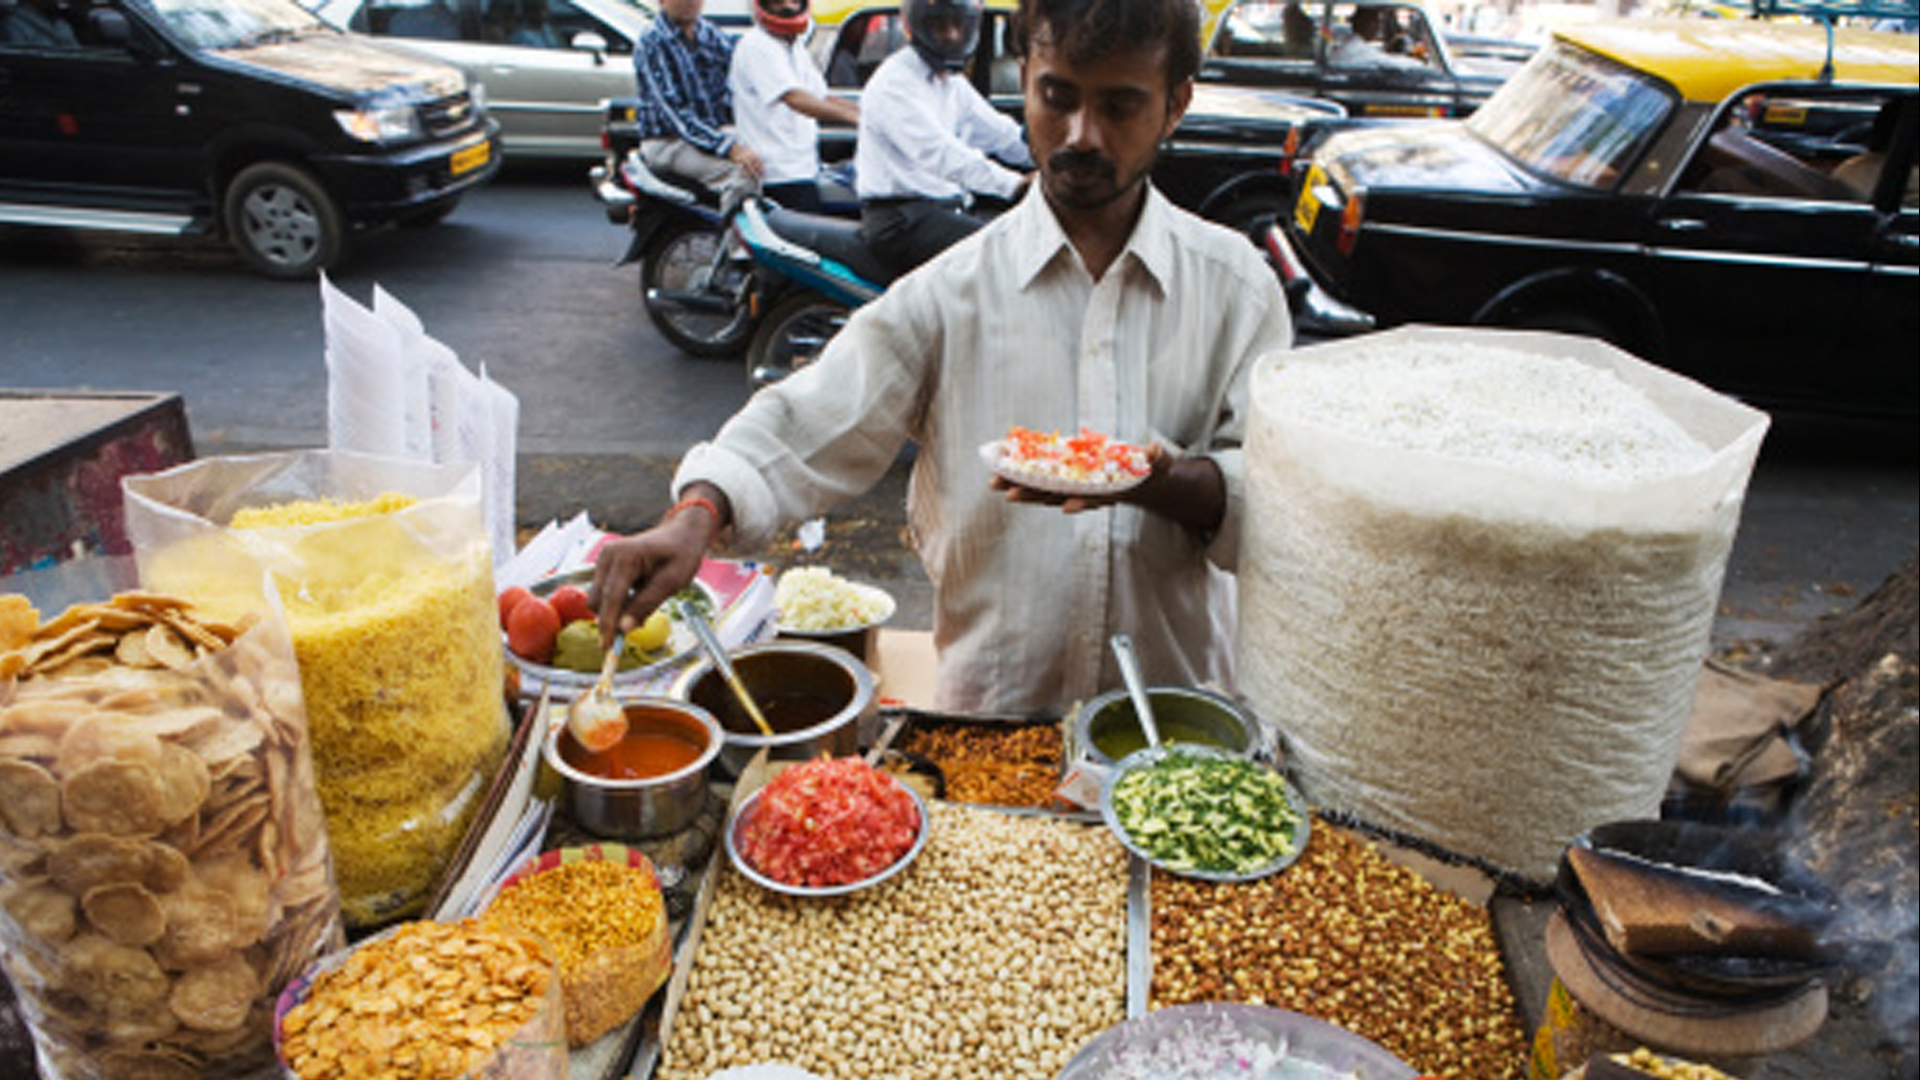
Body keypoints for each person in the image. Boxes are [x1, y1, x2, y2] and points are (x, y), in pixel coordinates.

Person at [590, 0, 1294, 717]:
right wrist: (698, 512)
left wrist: (1158, 481)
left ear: (1175, 104)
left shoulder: (1236, 289)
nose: (1081, 134)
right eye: (1058, 96)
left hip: (1176, 726)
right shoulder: (946, 293)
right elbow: (812, 419)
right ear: (1024, 78)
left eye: (1120, 105)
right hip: (990, 718)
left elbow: (1277, 501)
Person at [853, 0, 1034, 276]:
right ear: (915, 25)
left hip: (944, 209)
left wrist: (1052, 155)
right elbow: (941, 154)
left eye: (959, 25)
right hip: (902, 220)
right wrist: (1016, 185)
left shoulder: (952, 82)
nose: (951, 35)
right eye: (939, 25)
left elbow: (1001, 134)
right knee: (1003, 259)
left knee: (1024, 239)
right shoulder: (894, 83)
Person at [728, 0, 860, 212]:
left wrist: (868, 114)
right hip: (778, 175)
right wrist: (854, 118)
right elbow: (794, 98)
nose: (788, 6)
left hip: (806, 168)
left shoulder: (794, 46)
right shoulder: (757, 45)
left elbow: (821, 97)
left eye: (794, 1)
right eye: (778, 2)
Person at [633, 0, 762, 212]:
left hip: (709, 133)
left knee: (768, 159)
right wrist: (729, 148)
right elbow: (675, 115)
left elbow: (742, 71)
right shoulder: (653, 41)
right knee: (743, 175)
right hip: (669, 142)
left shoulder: (709, 34)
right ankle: (734, 244)